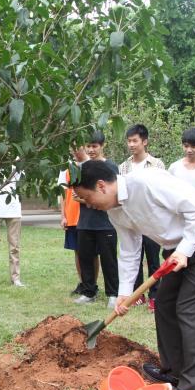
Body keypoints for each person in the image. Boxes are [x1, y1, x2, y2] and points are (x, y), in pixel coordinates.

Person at [71, 160, 195, 390]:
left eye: (86, 197)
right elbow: (129, 249)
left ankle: (194, 389)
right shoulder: (114, 210)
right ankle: (174, 372)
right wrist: (125, 293)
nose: (87, 204)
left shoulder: (146, 182)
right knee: (165, 304)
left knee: (191, 309)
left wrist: (186, 250)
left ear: (101, 186)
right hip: (176, 249)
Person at [118, 124, 166, 312]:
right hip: (131, 218)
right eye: (129, 141)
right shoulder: (124, 167)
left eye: (135, 141)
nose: (131, 144)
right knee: (133, 257)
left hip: (152, 219)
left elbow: (162, 190)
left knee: (153, 258)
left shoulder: (157, 164)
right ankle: (137, 295)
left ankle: (155, 295)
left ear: (144, 142)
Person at [72, 131, 119, 308]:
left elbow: (112, 193)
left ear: (102, 146)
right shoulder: (81, 168)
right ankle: (88, 291)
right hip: (85, 221)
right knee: (85, 257)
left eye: (95, 146)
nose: (91, 150)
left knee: (109, 259)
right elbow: (76, 194)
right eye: (88, 146)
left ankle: (113, 294)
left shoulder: (111, 167)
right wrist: (87, 198)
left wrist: (89, 198)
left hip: (106, 222)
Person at [58, 143, 89, 295]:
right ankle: (83, 282)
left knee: (91, 253)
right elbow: (62, 192)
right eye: (72, 148)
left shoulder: (91, 165)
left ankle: (92, 284)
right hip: (71, 215)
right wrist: (63, 215)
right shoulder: (67, 167)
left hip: (88, 215)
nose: (74, 151)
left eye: (77, 147)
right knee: (77, 251)